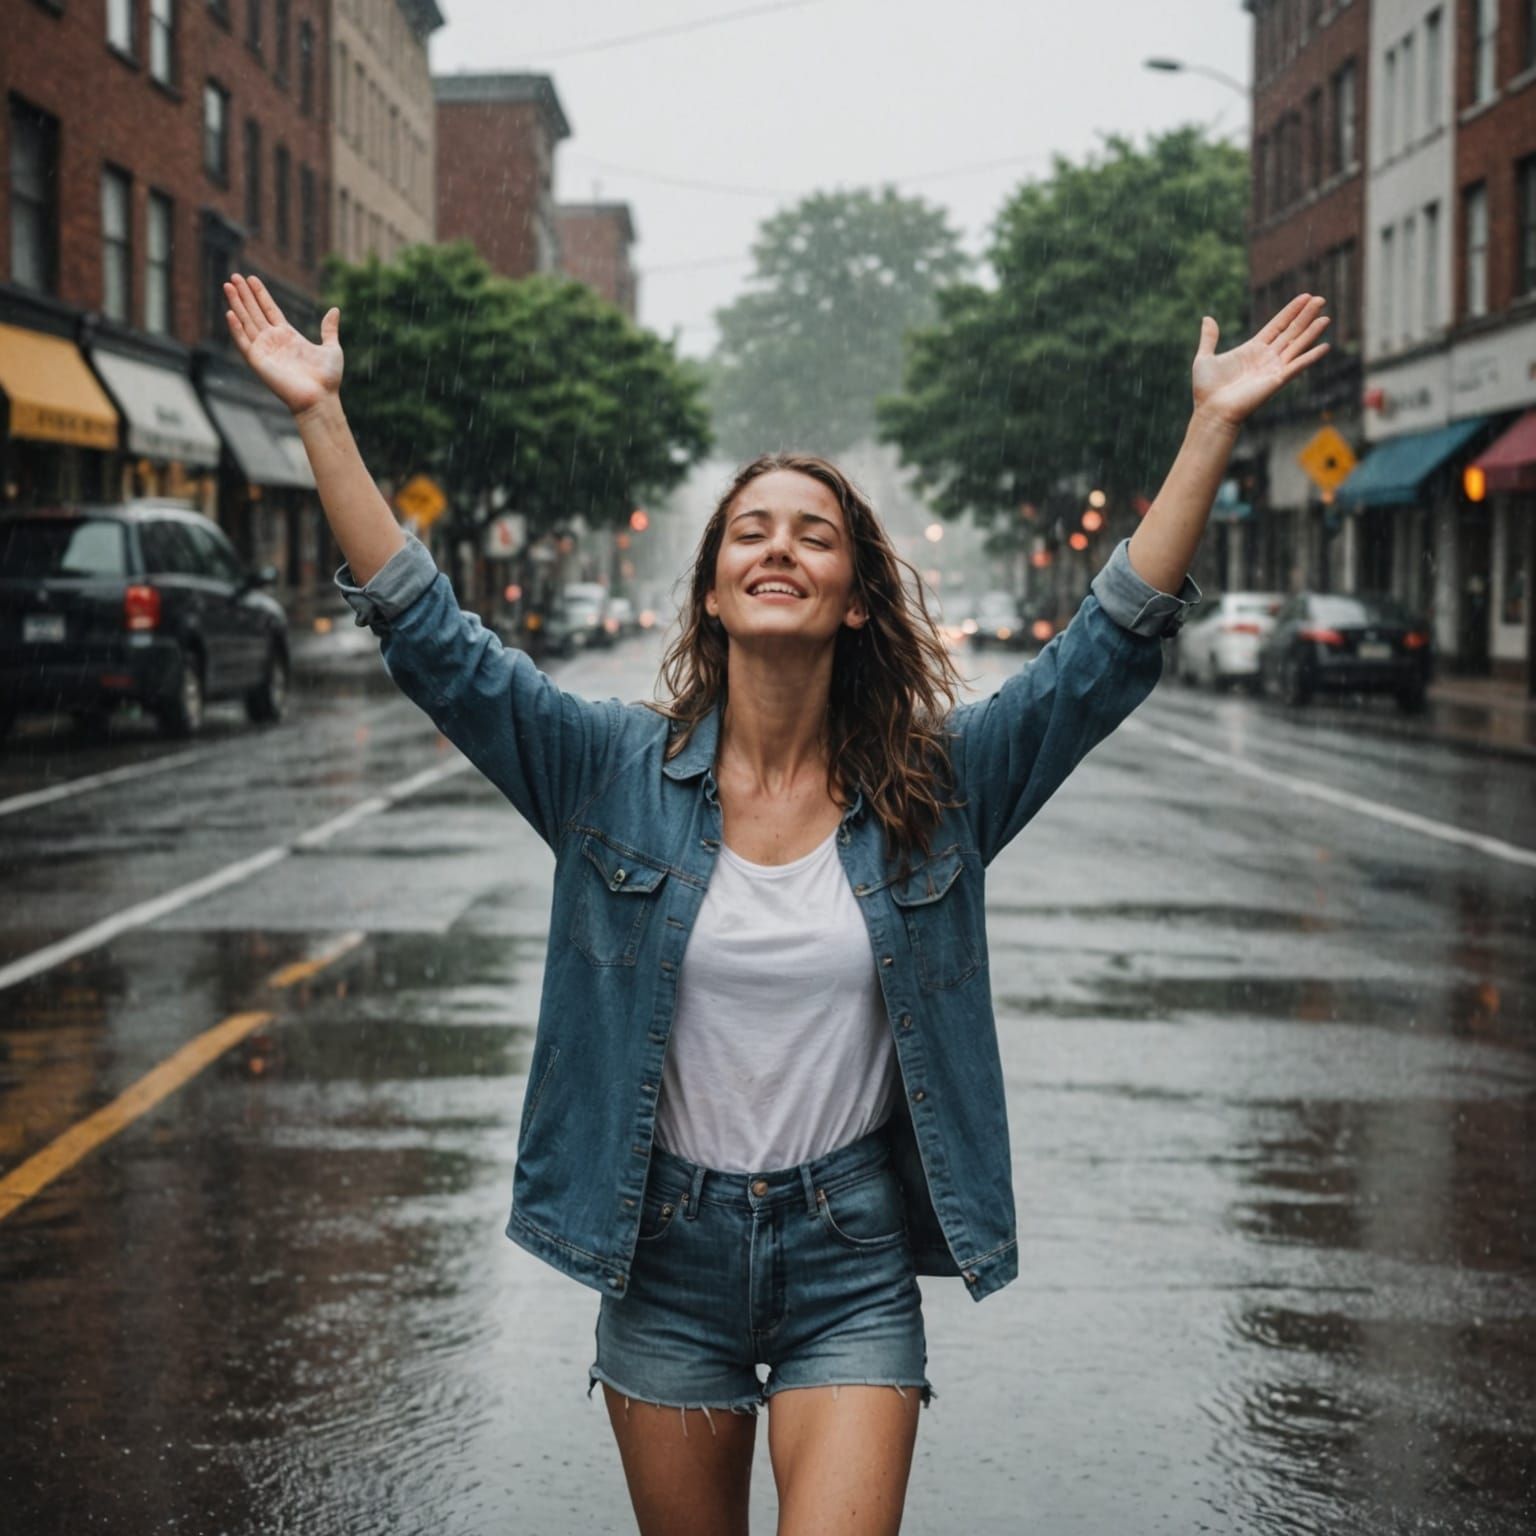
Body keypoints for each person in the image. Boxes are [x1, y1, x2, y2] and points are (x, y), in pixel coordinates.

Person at [222, 271, 1329, 1536]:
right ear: (712, 589)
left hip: (849, 1254)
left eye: (813, 532)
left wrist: (1212, 425)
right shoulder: (603, 773)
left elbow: (1105, 651)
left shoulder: (939, 786)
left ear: (855, 594)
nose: (778, 547)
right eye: (749, 530)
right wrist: (319, 415)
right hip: (663, 1255)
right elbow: (433, 640)